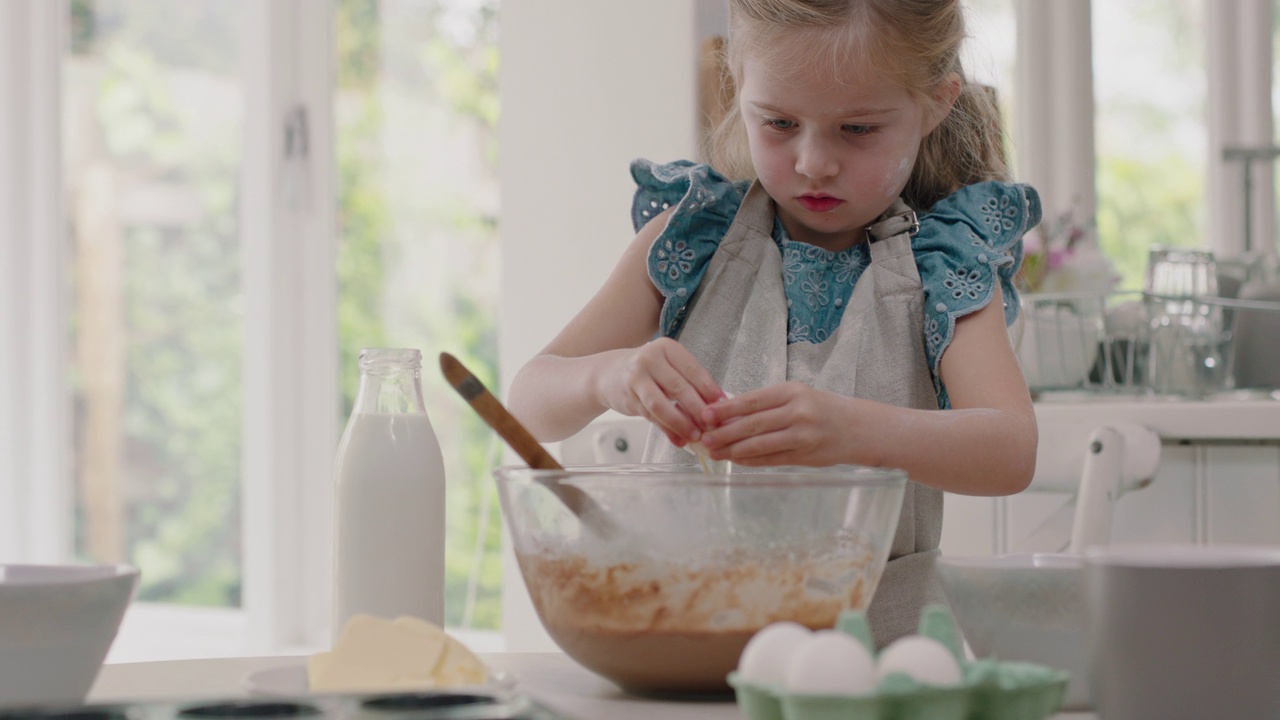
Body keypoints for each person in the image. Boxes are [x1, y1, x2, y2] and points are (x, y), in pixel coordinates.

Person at [507, 0, 1041, 644]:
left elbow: (1010, 451)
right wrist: (610, 376)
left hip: (878, 664)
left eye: (858, 129)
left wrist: (852, 430)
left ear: (936, 102)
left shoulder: (944, 263)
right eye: (780, 122)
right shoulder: (689, 239)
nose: (814, 160)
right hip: (686, 647)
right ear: (740, 83)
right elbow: (528, 403)